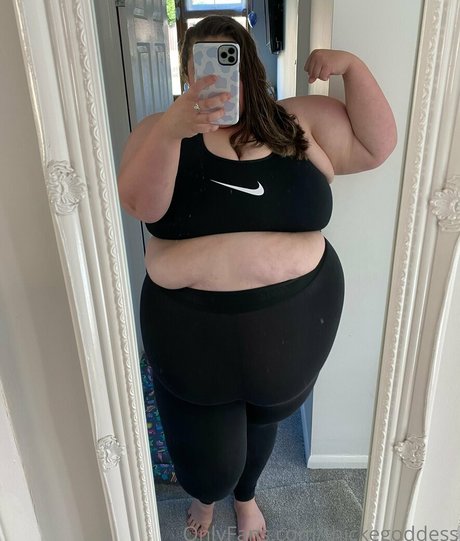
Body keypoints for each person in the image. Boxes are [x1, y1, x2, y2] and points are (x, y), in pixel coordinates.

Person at [118, 15, 397, 541]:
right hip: (191, 340)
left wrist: (352, 68)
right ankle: (206, 497)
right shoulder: (160, 131)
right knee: (207, 465)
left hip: (291, 339)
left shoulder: (295, 122)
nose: (220, 77)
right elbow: (141, 206)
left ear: (251, 67)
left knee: (261, 424)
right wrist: (174, 130)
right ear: (187, 72)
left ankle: (246, 498)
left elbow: (374, 146)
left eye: (231, 61)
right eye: (204, 64)